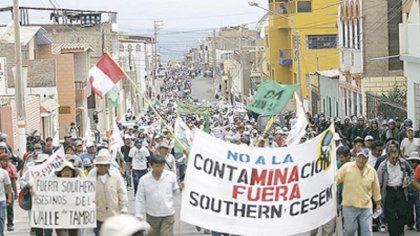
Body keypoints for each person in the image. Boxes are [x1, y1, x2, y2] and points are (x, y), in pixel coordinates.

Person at [336, 148, 381, 236]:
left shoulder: (372, 171)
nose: (361, 160)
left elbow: (376, 188)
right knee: (349, 230)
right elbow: (335, 180)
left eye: (364, 158)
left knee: (367, 231)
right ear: (355, 157)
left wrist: (378, 203)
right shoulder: (346, 167)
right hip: (349, 206)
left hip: (366, 206)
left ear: (367, 159)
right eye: (359, 157)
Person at [135, 155, 180, 236]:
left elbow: (176, 193)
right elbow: (139, 198)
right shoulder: (144, 180)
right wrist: (138, 214)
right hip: (152, 216)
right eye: (156, 166)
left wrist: (181, 189)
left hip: (168, 214)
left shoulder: (171, 177)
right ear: (151, 166)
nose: (159, 169)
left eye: (161, 166)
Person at [377, 147, 413, 236]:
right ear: (388, 156)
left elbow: (412, 172)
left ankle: (399, 232)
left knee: (402, 214)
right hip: (389, 191)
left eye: (396, 157)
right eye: (392, 158)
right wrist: (379, 197)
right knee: (390, 216)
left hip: (401, 190)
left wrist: (409, 181)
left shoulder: (403, 163)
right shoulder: (383, 166)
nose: (395, 160)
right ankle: (394, 234)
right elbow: (378, 182)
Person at [93, 150, 128, 235]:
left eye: (105, 165)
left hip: (114, 215)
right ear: (97, 166)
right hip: (98, 217)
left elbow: (122, 193)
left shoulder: (116, 177)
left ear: (108, 166)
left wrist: (124, 208)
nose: (102, 167)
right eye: (100, 165)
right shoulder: (91, 179)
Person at [54, 161, 80, 236]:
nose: (66, 172)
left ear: (72, 173)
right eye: (64, 170)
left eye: (69, 170)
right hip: (59, 216)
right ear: (60, 173)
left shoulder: (79, 184)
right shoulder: (53, 185)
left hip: (74, 216)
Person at [0, 153, 17, 232]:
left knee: (9, 208)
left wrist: (15, 192)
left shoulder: (11, 168)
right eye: (3, 161)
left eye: (6, 161)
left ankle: (10, 224)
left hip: (8, 191)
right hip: (2, 191)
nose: (5, 163)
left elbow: (13, 182)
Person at [405, 151, 420, 232]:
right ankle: (410, 224)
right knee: (408, 210)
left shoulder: (419, 169)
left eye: (415, 161)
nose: (413, 163)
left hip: (418, 192)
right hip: (408, 192)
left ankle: (419, 225)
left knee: (419, 208)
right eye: (411, 161)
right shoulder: (406, 170)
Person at [0, 154, 11, 236]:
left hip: (2, 199)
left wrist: (9, 198)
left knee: (1, 218)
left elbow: (8, 186)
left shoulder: (4, 173)